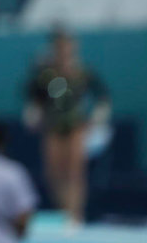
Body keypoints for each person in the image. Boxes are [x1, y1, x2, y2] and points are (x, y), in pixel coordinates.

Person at [23, 29, 111, 226]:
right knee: (53, 172)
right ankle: (63, 210)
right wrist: (32, 112)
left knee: (74, 172)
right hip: (52, 125)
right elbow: (33, 95)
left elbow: (102, 95)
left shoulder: (82, 72)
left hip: (75, 125)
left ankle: (75, 215)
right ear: (54, 49)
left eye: (67, 46)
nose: (63, 50)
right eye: (59, 47)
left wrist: (99, 115)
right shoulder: (45, 73)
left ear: (73, 48)